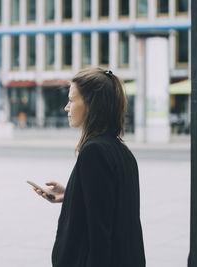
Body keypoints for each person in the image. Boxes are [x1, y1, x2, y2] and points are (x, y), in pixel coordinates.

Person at [32, 67, 146, 266]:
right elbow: (109, 207)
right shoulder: (121, 151)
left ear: (91, 104)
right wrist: (71, 195)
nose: (66, 108)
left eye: (71, 100)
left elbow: (100, 232)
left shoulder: (94, 152)